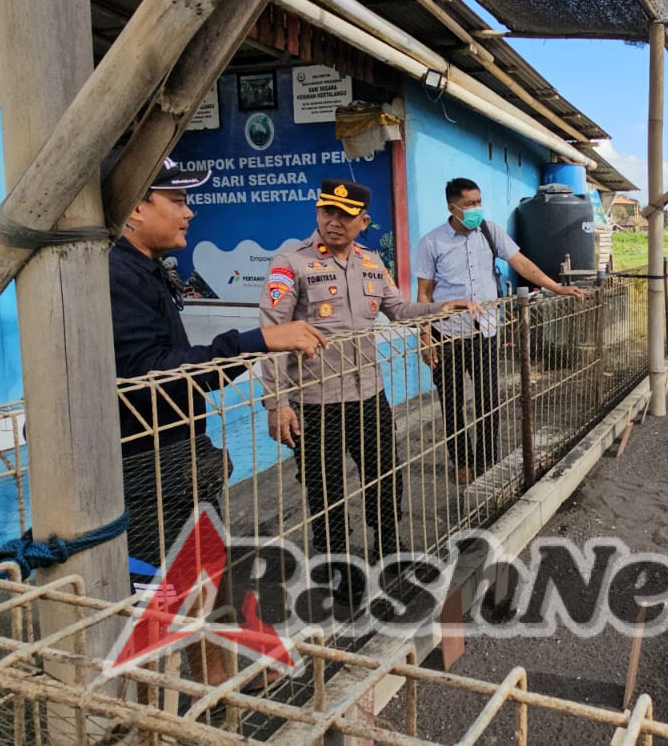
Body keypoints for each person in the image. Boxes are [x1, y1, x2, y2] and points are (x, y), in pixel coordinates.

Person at [110, 156, 327, 685]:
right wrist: (255, 342)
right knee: (158, 596)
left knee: (204, 571)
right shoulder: (115, 276)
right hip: (144, 464)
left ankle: (219, 676)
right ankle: (150, 709)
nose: (189, 212)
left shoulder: (145, 268)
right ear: (136, 208)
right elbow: (153, 374)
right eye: (177, 201)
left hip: (175, 455)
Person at [259, 179, 478, 571]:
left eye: (346, 215)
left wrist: (440, 308)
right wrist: (277, 403)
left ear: (363, 222)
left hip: (369, 396)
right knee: (325, 488)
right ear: (318, 213)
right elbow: (272, 334)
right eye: (328, 212)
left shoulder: (373, 263)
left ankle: (389, 547)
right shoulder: (290, 263)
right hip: (315, 402)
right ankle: (337, 562)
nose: (335, 222)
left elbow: (399, 310)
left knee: (385, 475)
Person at [414, 177, 587, 483]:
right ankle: (462, 462)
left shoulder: (489, 232)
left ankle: (486, 461)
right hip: (447, 334)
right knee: (452, 403)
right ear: (452, 208)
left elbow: (521, 263)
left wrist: (556, 287)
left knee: (488, 401)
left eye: (478, 202)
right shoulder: (431, 243)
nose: (476, 208)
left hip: (485, 331)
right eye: (469, 204)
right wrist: (426, 338)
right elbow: (424, 294)